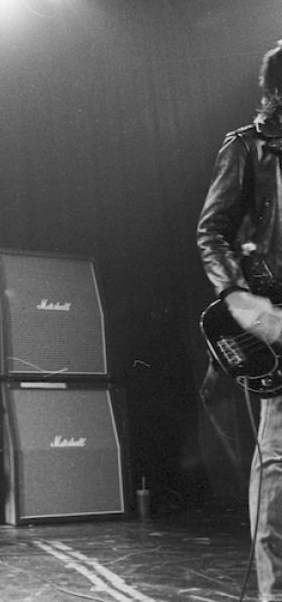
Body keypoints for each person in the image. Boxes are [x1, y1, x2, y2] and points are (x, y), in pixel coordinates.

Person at [197, 40, 282, 602]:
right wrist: (237, 296)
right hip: (276, 312)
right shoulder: (250, 148)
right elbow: (213, 230)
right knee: (278, 462)